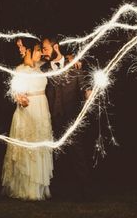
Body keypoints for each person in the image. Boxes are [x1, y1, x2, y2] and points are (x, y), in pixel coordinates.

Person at [40, 36, 92, 199]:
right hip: (52, 118)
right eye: (42, 50)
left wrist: (87, 92)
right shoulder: (44, 70)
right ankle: (59, 192)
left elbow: (84, 87)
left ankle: (85, 192)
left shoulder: (75, 66)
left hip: (72, 118)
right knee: (55, 156)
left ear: (56, 47)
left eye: (46, 49)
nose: (44, 53)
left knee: (78, 155)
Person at [1, 38, 53, 200]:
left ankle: (39, 188)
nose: (40, 53)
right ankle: (26, 189)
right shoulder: (21, 70)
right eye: (37, 50)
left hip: (42, 109)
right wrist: (20, 99)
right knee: (28, 148)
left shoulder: (39, 68)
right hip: (29, 110)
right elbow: (16, 92)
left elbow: (52, 57)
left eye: (40, 50)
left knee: (40, 147)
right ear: (30, 52)